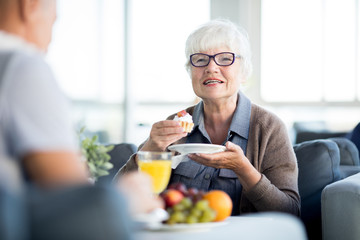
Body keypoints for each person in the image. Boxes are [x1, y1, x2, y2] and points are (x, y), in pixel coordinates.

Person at [0, 0, 162, 239]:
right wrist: (127, 199)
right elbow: (82, 211)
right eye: (53, 23)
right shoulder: (21, 65)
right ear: (31, 6)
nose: (50, 41)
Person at [118, 19, 300, 216]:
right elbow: (118, 199)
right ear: (191, 72)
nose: (211, 67)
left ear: (244, 72)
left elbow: (290, 212)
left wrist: (243, 169)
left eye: (224, 58)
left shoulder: (269, 127)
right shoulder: (175, 124)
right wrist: (150, 150)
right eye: (201, 59)